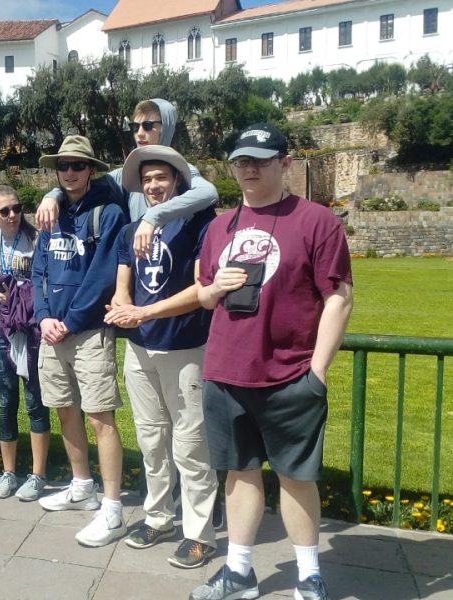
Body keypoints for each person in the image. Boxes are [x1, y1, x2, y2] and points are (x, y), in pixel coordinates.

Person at [190, 123, 353, 600]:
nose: (249, 169)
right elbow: (203, 295)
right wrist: (215, 287)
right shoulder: (219, 227)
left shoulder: (318, 222)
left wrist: (316, 372)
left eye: (260, 160)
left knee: (296, 477)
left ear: (285, 163)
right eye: (241, 161)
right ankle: (239, 572)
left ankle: (308, 576)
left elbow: (338, 298)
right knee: (239, 474)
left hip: (289, 375)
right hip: (225, 371)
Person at [103, 145, 219, 568]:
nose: (153, 186)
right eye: (147, 179)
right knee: (152, 439)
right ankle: (159, 516)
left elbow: (201, 291)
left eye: (161, 178)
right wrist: (121, 305)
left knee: (190, 443)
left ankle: (199, 533)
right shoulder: (133, 227)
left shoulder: (200, 225)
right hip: (140, 347)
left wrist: (143, 311)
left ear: (178, 182)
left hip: (184, 347)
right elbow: (123, 281)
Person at [30, 136, 128, 546]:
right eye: (62, 166)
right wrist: (42, 316)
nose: (69, 172)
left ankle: (112, 508)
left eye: (77, 165)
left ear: (91, 169)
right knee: (64, 409)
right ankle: (81, 485)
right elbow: (38, 271)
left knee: (100, 416)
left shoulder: (108, 213)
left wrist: (67, 321)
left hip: (87, 332)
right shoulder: (52, 211)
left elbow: (102, 276)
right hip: (52, 331)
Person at [35, 98, 217, 258]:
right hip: (136, 265)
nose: (139, 133)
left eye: (147, 126)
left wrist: (153, 216)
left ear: (166, 127)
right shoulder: (124, 174)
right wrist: (52, 196)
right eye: (134, 127)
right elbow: (81, 182)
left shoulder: (181, 169)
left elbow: (208, 192)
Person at [0, 185, 51, 502]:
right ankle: (9, 471)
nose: (13, 215)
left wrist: (23, 292)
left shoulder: (36, 239)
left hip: (30, 330)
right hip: (0, 330)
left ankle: (38, 474)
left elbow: (47, 281)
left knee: (35, 401)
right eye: (5, 211)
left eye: (17, 208)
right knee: (6, 400)